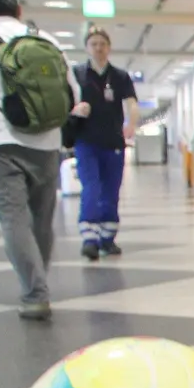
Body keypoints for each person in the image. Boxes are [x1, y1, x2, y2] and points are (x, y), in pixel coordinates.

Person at [0, 0, 84, 321]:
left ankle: (35, 293)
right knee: (41, 220)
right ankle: (38, 283)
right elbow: (72, 93)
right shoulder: (46, 41)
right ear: (19, 9)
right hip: (46, 143)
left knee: (13, 220)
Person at [68, 26, 139, 261]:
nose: (98, 48)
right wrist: (76, 110)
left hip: (113, 141)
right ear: (87, 48)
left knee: (111, 191)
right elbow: (65, 101)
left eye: (102, 44)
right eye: (94, 44)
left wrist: (132, 123)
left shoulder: (119, 76)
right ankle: (89, 238)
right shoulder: (77, 74)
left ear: (109, 47)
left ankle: (107, 238)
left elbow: (131, 102)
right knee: (91, 188)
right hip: (86, 140)